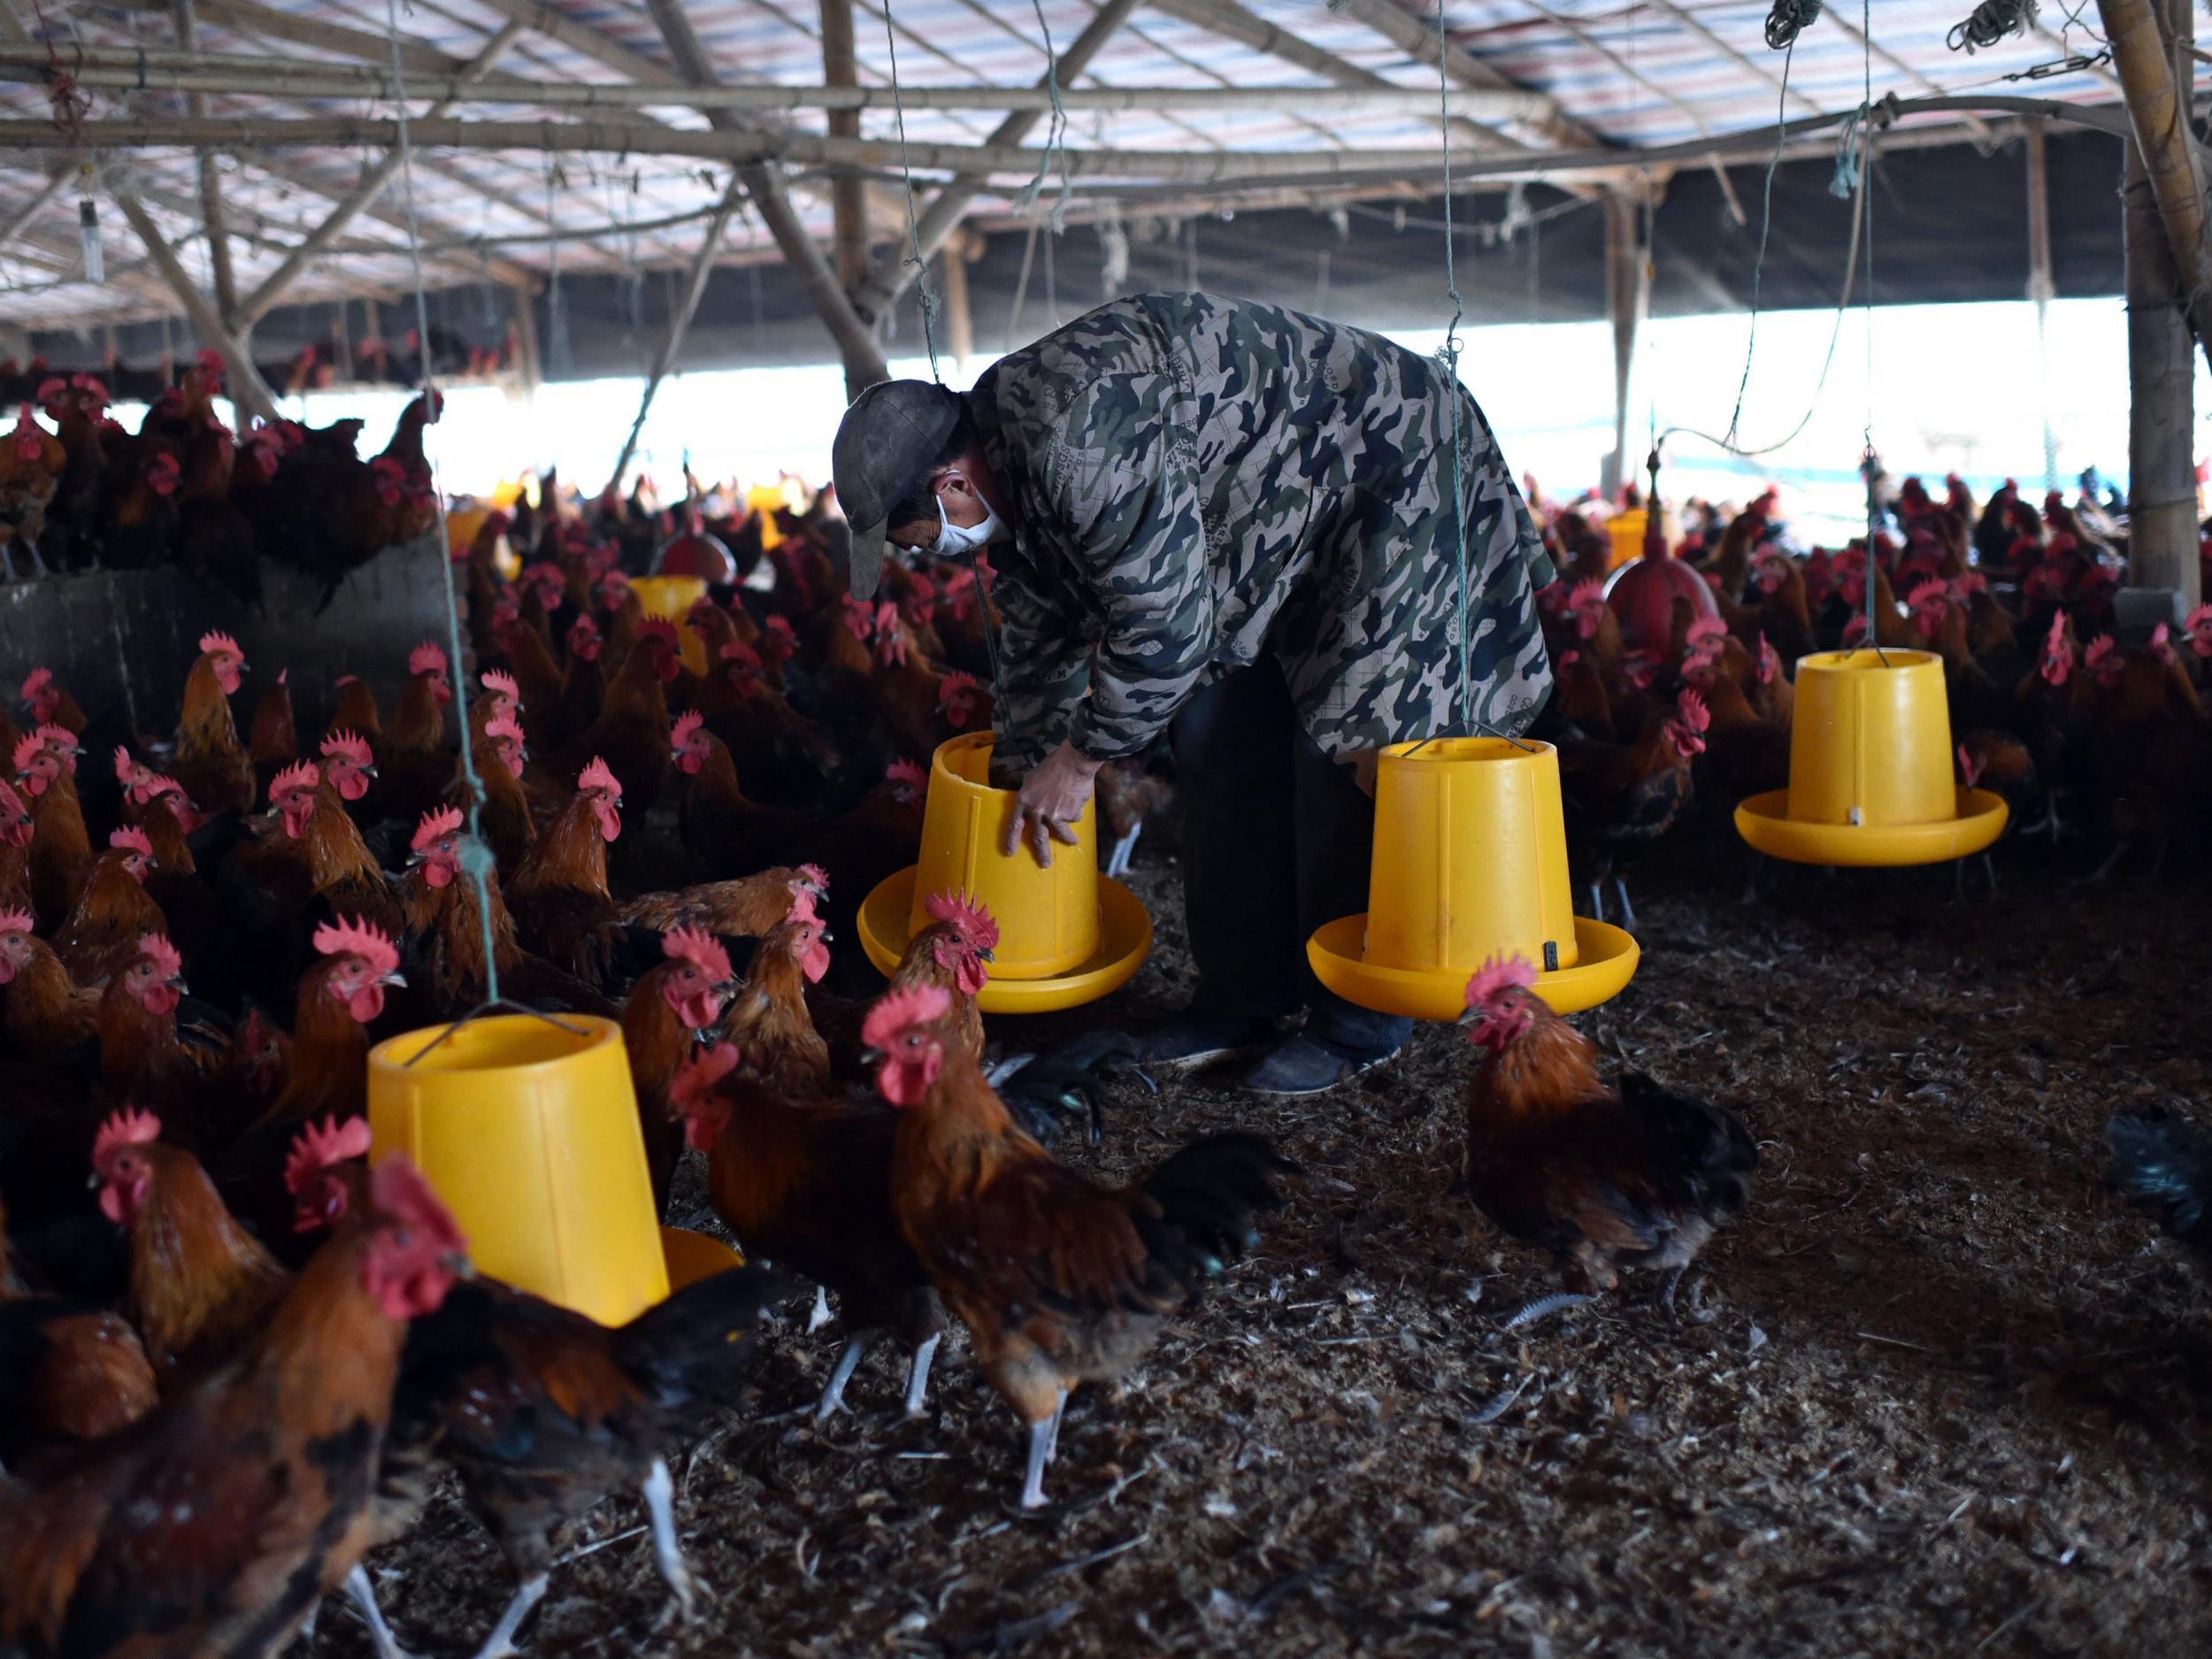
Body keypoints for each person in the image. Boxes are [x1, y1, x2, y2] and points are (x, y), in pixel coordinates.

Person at [829, 291, 1554, 1096]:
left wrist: (1080, 760)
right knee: (1213, 737)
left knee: (1346, 738)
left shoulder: (1075, 440)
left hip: (1393, 469)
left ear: (953, 485)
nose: (928, 557)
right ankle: (1244, 997)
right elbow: (1042, 625)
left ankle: (1357, 1021)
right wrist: (1022, 770)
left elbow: (1165, 631)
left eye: (918, 539)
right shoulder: (1012, 462)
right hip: (1274, 515)